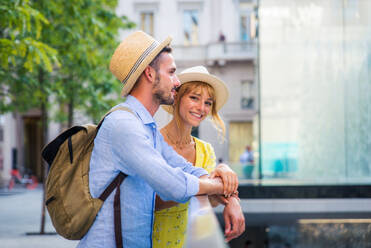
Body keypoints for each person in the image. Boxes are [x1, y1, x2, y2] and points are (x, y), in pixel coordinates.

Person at [77, 31, 236, 248]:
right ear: (150, 74)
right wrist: (217, 186)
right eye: (171, 72)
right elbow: (173, 185)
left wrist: (225, 180)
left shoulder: (145, 128)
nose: (177, 81)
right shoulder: (125, 125)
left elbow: (184, 167)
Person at [153, 66, 245, 247]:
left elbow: (210, 198)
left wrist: (232, 200)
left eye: (208, 103)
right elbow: (148, 200)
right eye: (194, 98)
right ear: (177, 98)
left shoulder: (205, 150)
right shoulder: (152, 141)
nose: (201, 108)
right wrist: (215, 184)